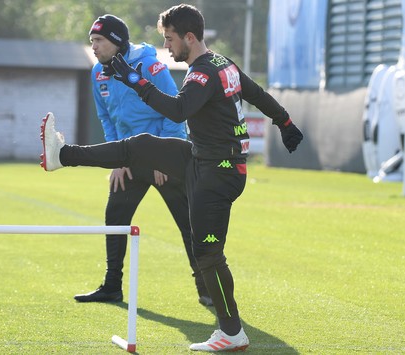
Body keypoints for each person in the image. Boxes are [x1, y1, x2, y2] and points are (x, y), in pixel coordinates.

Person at [40, 4, 303, 352]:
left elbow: (179, 109)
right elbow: (256, 95)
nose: (167, 47)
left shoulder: (202, 73)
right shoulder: (223, 64)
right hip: (202, 159)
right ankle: (64, 156)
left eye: (170, 39)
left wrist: (135, 80)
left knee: (208, 254)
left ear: (189, 38)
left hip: (219, 173)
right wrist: (284, 122)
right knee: (139, 146)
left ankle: (232, 332)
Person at [73, 14, 213, 307]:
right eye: (92, 41)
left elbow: (175, 111)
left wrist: (164, 157)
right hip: (129, 158)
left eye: (99, 40)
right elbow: (106, 118)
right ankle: (112, 287)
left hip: (164, 158)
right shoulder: (97, 72)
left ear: (115, 41)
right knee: (115, 220)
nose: (94, 47)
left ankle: (207, 289)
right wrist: (116, 159)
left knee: (189, 224)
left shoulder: (150, 66)